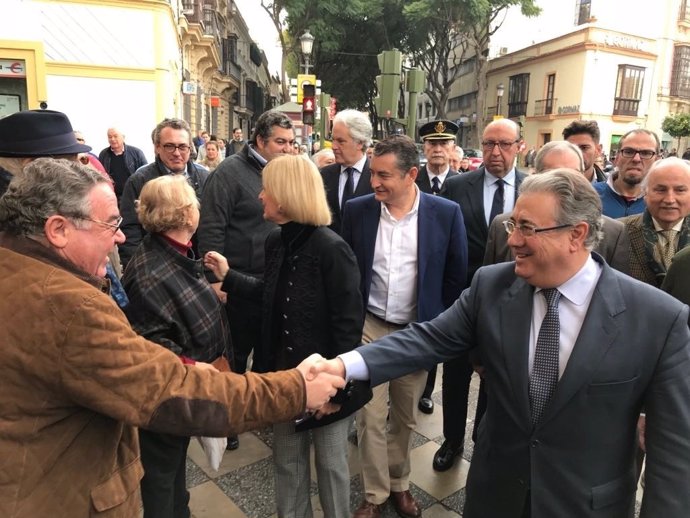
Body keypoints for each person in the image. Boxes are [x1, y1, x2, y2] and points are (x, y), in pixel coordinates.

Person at [314, 168, 690, 518]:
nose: (512, 240)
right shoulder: (490, 285)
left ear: (576, 234)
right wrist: (345, 366)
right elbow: (427, 339)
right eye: (513, 224)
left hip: (585, 505)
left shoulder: (659, 318)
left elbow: (673, 454)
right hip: (495, 497)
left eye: (527, 228)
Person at [0, 158, 345, 517]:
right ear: (57, 229)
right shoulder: (71, 308)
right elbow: (167, 388)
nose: (120, 236)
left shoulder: (21, 270)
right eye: (111, 223)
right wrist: (296, 389)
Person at [205, 155, 364, 518]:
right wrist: (230, 277)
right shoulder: (276, 241)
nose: (260, 196)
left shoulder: (332, 249)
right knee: (287, 466)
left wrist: (338, 392)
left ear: (287, 195)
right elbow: (273, 293)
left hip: (329, 386)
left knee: (332, 471)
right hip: (286, 381)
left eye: (267, 189)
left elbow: (347, 328)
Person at [341, 135, 468, 518]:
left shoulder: (445, 213)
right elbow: (348, 271)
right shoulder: (357, 210)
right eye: (373, 173)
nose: (374, 182)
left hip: (417, 332)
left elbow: (455, 276)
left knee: (406, 415)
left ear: (411, 174)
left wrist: (436, 327)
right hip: (370, 327)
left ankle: (400, 482)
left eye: (384, 175)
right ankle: (375, 493)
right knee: (370, 415)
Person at [121, 175, 231, 518]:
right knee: (161, 474)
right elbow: (151, 345)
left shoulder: (172, 251)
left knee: (173, 467)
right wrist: (198, 368)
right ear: (186, 214)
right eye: (194, 203)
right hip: (170, 391)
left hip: (185, 387)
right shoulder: (151, 269)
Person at [435, 118, 527, 472]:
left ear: (519, 146)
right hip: (463, 301)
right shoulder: (458, 186)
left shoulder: (533, 188)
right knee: (456, 376)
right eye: (489, 144)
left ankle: (483, 442)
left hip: (512, 305)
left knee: (497, 379)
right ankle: (452, 440)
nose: (495, 152)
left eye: (504, 144)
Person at [198, 110, 295, 408]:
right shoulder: (227, 173)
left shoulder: (286, 170)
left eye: (291, 142)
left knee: (269, 350)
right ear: (260, 140)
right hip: (237, 284)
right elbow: (211, 228)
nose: (288, 149)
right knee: (236, 354)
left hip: (274, 282)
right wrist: (216, 281)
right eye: (281, 142)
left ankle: (258, 407)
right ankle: (230, 414)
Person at [483, 141, 629, 273]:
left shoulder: (613, 232)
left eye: (573, 174)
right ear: (536, 176)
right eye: (554, 176)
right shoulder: (503, 227)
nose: (566, 184)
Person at [414, 120, 460, 415]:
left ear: (452, 148)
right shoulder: (412, 179)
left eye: (444, 144)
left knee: (432, 331)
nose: (438, 149)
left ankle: (425, 391)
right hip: (413, 264)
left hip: (444, 267)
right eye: (432, 144)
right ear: (425, 148)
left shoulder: (462, 183)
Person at [119, 118, 209, 268]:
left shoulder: (204, 177)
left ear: (190, 148)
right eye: (169, 146)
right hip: (154, 269)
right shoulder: (139, 181)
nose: (177, 153)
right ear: (157, 147)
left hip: (196, 267)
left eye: (182, 147)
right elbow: (130, 231)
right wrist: (139, 269)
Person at [620, 157, 690, 288]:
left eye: (680, 190)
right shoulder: (617, 233)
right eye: (661, 190)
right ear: (644, 193)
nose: (670, 199)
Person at [321, 109, 374, 235]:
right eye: (332, 139)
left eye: (340, 141)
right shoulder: (322, 176)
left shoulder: (378, 177)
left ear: (360, 143)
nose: (333, 146)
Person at [594, 129, 660, 218]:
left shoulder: (662, 203)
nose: (636, 159)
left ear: (657, 161)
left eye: (646, 153)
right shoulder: (589, 195)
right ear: (616, 158)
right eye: (629, 152)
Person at [98, 126, 148, 201]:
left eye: (115, 136)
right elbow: (99, 174)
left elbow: (146, 174)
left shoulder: (137, 153)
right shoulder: (103, 154)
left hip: (134, 196)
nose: (112, 139)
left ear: (123, 137)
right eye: (110, 137)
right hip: (112, 197)